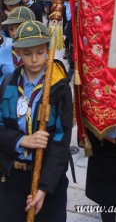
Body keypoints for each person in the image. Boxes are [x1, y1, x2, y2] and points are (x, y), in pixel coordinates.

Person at [0, 20, 73, 221]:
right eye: (28, 53)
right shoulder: (8, 84)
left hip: (48, 178)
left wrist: (43, 188)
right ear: (17, 53)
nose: (34, 60)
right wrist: (21, 140)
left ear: (48, 50)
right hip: (12, 178)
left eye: (40, 52)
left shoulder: (58, 88)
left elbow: (61, 141)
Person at [0, 7, 35, 83]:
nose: (14, 33)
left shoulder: (39, 53)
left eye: (19, 27)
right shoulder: (2, 51)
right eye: (11, 29)